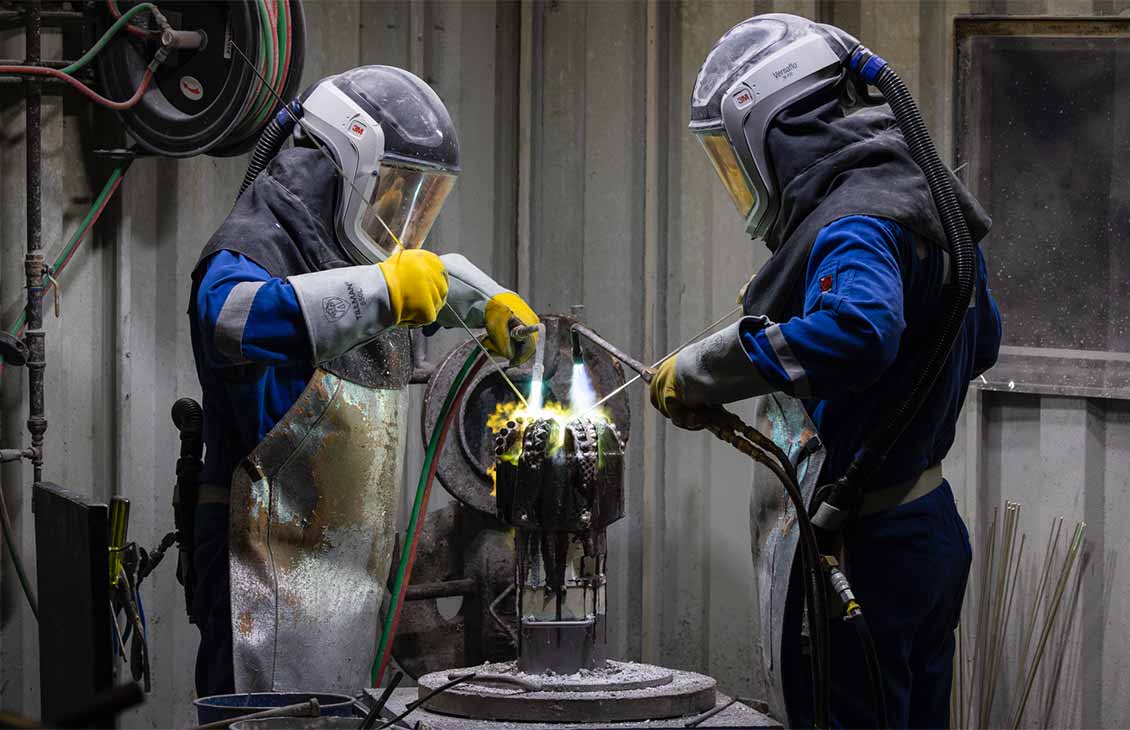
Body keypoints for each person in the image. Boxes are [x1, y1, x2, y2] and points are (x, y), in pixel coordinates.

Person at [648, 14, 1001, 728]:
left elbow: (861, 332)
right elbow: (982, 337)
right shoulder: (922, 198)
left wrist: (704, 369)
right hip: (927, 528)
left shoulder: (857, 220)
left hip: (865, 547)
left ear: (778, 132)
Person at [188, 66, 538, 696]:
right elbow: (229, 317)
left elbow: (414, 284)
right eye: (396, 190)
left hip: (348, 594)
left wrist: (482, 299)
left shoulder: (347, 261)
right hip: (260, 591)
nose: (401, 213)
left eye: (418, 197)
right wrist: (381, 290)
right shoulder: (248, 252)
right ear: (343, 169)